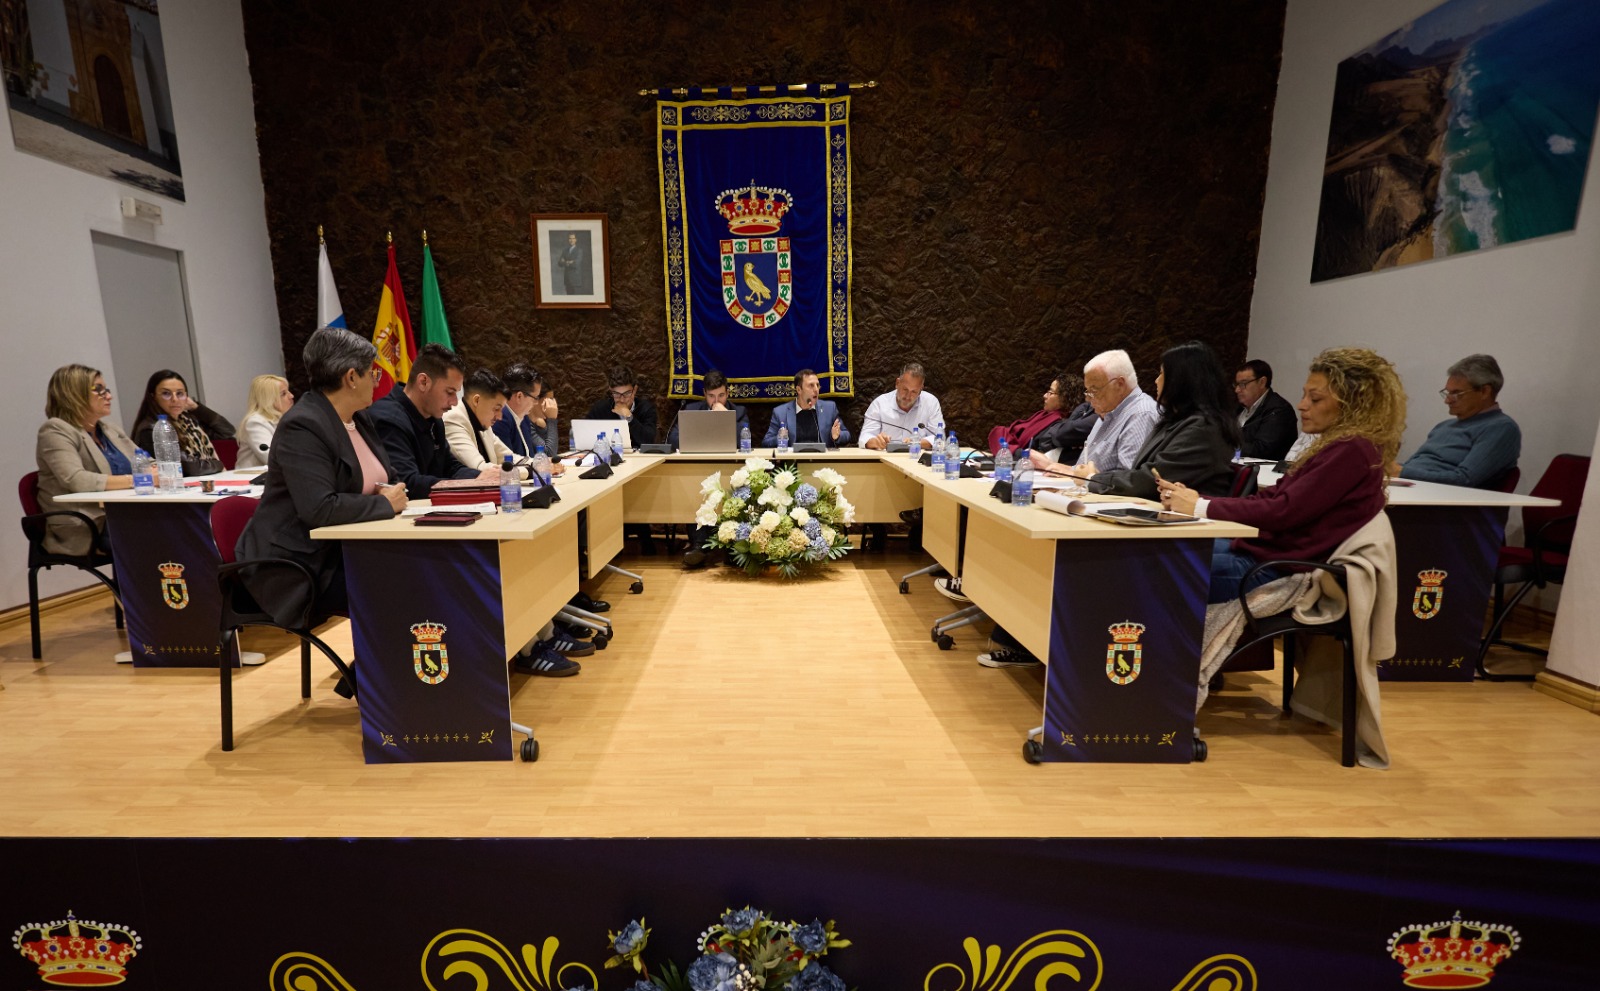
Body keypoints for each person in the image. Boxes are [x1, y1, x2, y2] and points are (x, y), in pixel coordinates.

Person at [1157, 347, 1406, 604]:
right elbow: (1273, 498)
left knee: (1153, 565)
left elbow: (1281, 511)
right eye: (1304, 395)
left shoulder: (1352, 450)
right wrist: (1199, 500)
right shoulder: (1340, 447)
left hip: (1273, 568)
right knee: (1160, 549)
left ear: (1353, 404)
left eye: (1315, 399)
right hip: (1262, 554)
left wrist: (1199, 506)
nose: (1302, 405)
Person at [233, 328, 408, 678]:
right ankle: (381, 687)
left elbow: (383, 480)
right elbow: (319, 509)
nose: (377, 382)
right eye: (372, 373)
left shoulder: (358, 418)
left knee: (422, 573)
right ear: (351, 377)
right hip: (298, 564)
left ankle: (384, 682)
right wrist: (385, 505)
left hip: (345, 549)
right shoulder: (303, 425)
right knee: (400, 588)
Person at [1075, 341, 1239, 500]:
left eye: (1161, 374)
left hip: (1182, 515)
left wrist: (1093, 479)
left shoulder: (1203, 428)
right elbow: (1140, 473)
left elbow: (1151, 479)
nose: (1156, 380)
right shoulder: (1176, 420)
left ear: (1180, 381)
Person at [368, 343, 499, 498]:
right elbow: (407, 483)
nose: (454, 402)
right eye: (450, 392)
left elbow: (450, 467)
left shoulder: (434, 418)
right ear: (423, 382)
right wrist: (470, 484)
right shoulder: (388, 419)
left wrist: (481, 477)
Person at [35, 364, 137, 555]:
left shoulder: (109, 430)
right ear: (73, 393)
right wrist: (136, 481)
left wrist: (156, 472)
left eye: (106, 389)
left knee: (180, 522)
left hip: (123, 514)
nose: (108, 396)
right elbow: (76, 479)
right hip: (87, 523)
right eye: (99, 389)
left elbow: (145, 462)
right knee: (165, 531)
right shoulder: (55, 430)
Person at [1394, 354, 1520, 489]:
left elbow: (1464, 479)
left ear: (1484, 391)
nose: (1447, 400)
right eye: (1447, 393)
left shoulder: (1501, 428)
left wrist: (1402, 472)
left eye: (1456, 394)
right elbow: (1411, 467)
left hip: (1445, 499)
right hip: (1411, 491)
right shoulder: (1444, 426)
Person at [1029, 349, 1159, 474]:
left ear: (1119, 384)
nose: (1088, 399)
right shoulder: (1108, 412)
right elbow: (1084, 470)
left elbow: (1127, 479)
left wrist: (1078, 474)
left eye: (1094, 390)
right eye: (1087, 391)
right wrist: (1054, 466)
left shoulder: (1141, 414)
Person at [131, 369, 235, 468]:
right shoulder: (151, 428)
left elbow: (227, 431)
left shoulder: (188, 421)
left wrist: (196, 407)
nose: (175, 399)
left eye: (180, 393)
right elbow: (187, 467)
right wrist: (218, 464)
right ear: (153, 397)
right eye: (166, 393)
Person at [443, 369, 534, 478]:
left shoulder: (482, 421)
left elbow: (509, 457)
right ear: (477, 400)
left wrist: (538, 464)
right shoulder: (453, 419)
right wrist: (529, 472)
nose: (500, 417)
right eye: (496, 409)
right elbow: (480, 468)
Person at [1012, 372, 1096, 464]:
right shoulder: (1043, 415)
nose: (1045, 396)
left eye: (1050, 392)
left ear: (1065, 397)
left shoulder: (1058, 423)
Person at [860, 363, 942, 450]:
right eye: (905, 389)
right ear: (897, 383)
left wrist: (917, 443)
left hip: (917, 455)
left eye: (914, 392)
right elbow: (865, 437)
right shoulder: (880, 403)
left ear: (921, 390)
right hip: (885, 456)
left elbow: (938, 437)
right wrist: (875, 441)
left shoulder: (931, 403)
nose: (908, 396)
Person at [764, 368, 848, 447]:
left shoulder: (829, 408)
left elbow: (846, 435)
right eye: (811, 385)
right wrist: (780, 438)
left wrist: (836, 436)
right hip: (794, 457)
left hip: (821, 457)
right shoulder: (780, 412)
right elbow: (766, 442)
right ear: (799, 390)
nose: (816, 389)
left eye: (817, 385)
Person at [670, 368, 751, 450]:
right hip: (700, 456)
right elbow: (672, 439)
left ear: (727, 393)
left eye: (721, 395)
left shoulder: (740, 412)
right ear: (705, 394)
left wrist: (726, 416)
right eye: (711, 396)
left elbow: (744, 441)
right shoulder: (690, 410)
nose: (716, 401)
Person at [1234, 359, 1298, 460]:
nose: (1237, 390)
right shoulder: (1236, 408)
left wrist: (1224, 447)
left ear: (1262, 382)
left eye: (1243, 384)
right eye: (1237, 384)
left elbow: (1260, 450)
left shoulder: (1279, 410)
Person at [585, 364, 658, 449]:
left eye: (627, 393)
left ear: (634, 390)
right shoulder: (600, 409)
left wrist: (629, 417)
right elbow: (586, 434)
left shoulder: (646, 409)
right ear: (611, 390)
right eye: (616, 394)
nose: (622, 399)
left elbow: (648, 441)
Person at [494, 363, 559, 457]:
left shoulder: (524, 418)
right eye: (535, 398)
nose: (536, 403)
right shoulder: (501, 418)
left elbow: (530, 458)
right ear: (519, 396)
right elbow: (508, 462)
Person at [236, 374, 293, 469]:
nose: (291, 396)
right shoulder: (255, 422)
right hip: (252, 477)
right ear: (268, 400)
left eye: (288, 391)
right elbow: (271, 458)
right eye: (283, 394)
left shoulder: (287, 419)